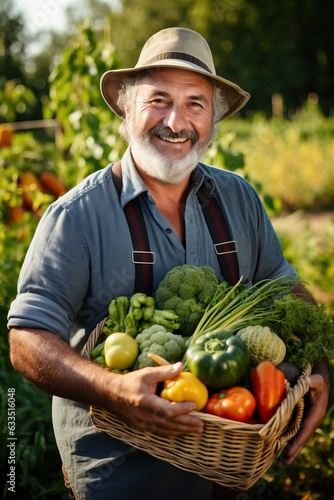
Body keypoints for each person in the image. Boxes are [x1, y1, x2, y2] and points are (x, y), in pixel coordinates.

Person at [8, 27, 330, 500]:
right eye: (158, 99)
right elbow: (26, 340)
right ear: (127, 108)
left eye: (195, 104)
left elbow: (283, 287)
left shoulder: (237, 198)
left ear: (213, 120)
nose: (176, 122)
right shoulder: (76, 217)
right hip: (118, 476)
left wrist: (323, 369)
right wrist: (112, 390)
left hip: (226, 469)